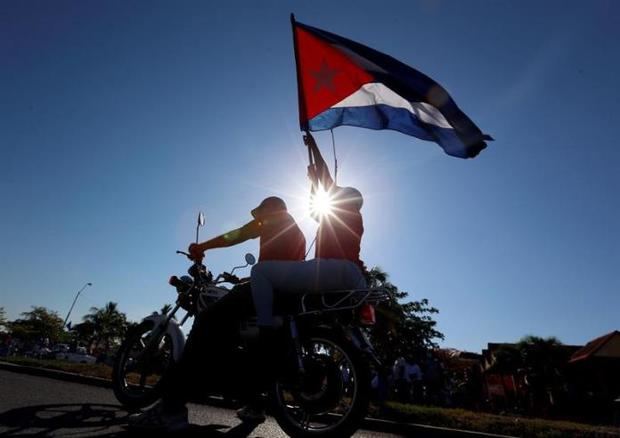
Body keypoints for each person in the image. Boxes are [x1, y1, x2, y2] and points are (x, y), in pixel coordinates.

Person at [129, 196, 305, 432]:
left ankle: (171, 408)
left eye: (261, 213)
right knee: (242, 336)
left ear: (271, 209)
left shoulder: (275, 220)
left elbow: (236, 235)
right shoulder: (297, 232)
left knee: (207, 320)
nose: (259, 219)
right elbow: (279, 266)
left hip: (269, 291)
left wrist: (202, 247)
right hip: (284, 297)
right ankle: (254, 402)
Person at [245, 132, 367, 402]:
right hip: (352, 275)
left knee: (260, 272)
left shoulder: (345, 209)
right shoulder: (350, 219)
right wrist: (313, 182)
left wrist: (313, 145)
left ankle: (266, 328)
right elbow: (316, 209)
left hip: (331, 269)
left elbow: (326, 179)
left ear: (346, 197)